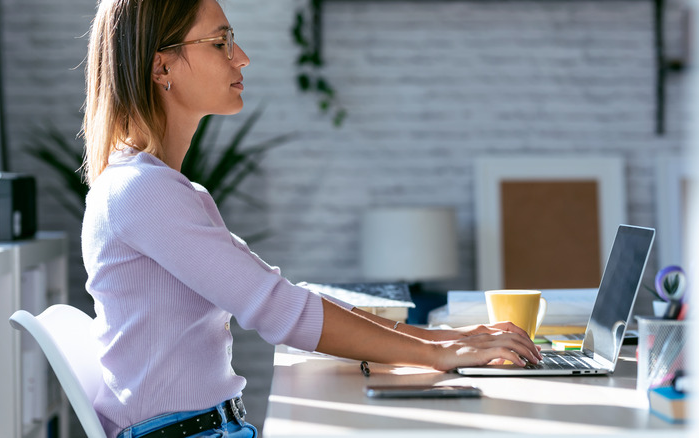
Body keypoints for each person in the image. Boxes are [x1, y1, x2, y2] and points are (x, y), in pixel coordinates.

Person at [80, 1, 542, 437]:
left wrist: (439, 338)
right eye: (219, 43)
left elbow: (283, 296)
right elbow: (280, 310)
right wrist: (438, 352)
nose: (241, 58)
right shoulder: (142, 192)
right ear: (162, 67)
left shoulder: (166, 190)